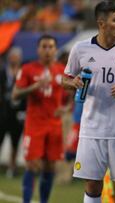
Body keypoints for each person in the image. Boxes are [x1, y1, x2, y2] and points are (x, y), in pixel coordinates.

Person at [61, 1, 115, 203]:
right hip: (92, 129)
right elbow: (65, 80)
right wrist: (74, 82)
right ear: (101, 23)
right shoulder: (80, 49)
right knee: (92, 185)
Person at [12, 34, 66, 203]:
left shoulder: (61, 70)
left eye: (51, 47)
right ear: (38, 49)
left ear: (56, 49)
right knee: (33, 165)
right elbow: (15, 94)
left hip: (54, 125)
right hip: (34, 124)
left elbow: (72, 93)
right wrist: (35, 86)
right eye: (44, 46)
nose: (47, 50)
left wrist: (66, 108)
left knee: (50, 167)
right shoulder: (28, 69)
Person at [0, 47, 26, 178]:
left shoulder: (23, 73)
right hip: (3, 112)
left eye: (17, 57)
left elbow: (25, 94)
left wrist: (23, 110)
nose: (15, 59)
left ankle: (12, 167)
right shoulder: (3, 72)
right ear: (9, 58)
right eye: (13, 56)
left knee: (15, 143)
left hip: (17, 113)